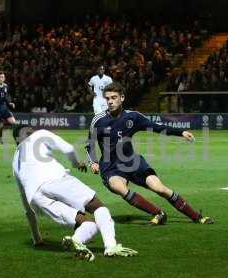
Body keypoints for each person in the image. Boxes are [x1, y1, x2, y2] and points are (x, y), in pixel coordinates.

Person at [85, 82, 214, 225]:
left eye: (114, 97)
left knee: (160, 188)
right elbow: (89, 144)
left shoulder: (133, 117)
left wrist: (180, 132)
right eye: (107, 98)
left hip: (132, 161)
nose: (110, 101)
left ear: (122, 98)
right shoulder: (98, 120)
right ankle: (158, 213)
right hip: (111, 166)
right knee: (119, 187)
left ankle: (197, 217)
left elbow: (157, 127)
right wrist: (93, 162)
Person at [12, 126, 137, 261]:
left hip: (36, 197)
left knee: (87, 224)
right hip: (56, 180)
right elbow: (69, 149)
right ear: (30, 132)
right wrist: (77, 163)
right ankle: (111, 246)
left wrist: (37, 238)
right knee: (97, 206)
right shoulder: (40, 134)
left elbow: (26, 205)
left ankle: (77, 240)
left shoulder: (15, 163)